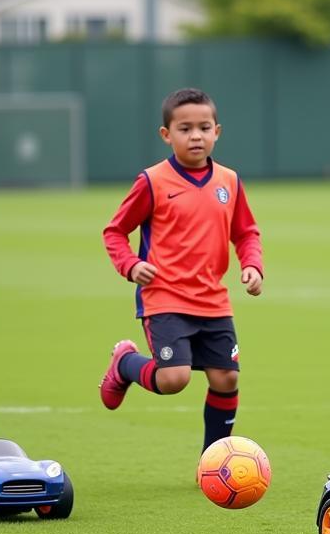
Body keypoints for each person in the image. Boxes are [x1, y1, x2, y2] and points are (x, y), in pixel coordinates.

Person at [100, 88, 263, 459]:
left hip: (213, 300)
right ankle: (125, 363)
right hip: (165, 297)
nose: (195, 136)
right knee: (175, 379)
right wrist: (130, 264)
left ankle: (212, 462)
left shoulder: (229, 181)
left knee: (227, 378)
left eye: (204, 127)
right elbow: (114, 231)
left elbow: (246, 232)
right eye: (185, 128)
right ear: (166, 134)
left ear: (217, 132)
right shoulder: (152, 181)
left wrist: (252, 265)